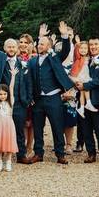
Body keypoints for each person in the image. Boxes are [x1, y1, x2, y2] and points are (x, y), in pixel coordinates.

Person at [26, 24, 75, 164]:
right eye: (38, 43)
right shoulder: (32, 61)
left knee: (57, 126)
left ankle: (60, 154)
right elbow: (30, 81)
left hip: (54, 97)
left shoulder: (54, 57)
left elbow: (65, 50)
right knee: (38, 128)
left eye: (42, 44)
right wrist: (30, 98)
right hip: (38, 99)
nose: (39, 45)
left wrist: (64, 35)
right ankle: (38, 153)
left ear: (49, 46)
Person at [0, 23, 30, 166]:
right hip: (1, 101)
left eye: (13, 47)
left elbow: (29, 82)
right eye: (9, 46)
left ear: (17, 49)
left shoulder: (23, 63)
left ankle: (21, 155)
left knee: (19, 129)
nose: (11, 49)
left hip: (19, 101)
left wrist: (28, 98)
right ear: (4, 48)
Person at [75, 37, 99, 163]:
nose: (93, 47)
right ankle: (91, 153)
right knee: (86, 129)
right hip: (82, 100)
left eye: (96, 44)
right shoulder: (84, 60)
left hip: (97, 100)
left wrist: (85, 85)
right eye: (91, 45)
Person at [0, 84, 18, 172]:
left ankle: (8, 162)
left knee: (9, 142)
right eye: (0, 94)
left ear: (8, 94)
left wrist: (13, 76)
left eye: (5, 94)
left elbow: (12, 87)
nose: (3, 96)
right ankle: (0, 162)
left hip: (9, 125)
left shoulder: (11, 102)